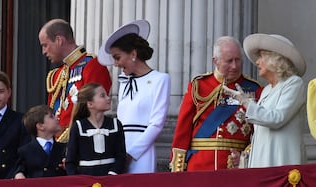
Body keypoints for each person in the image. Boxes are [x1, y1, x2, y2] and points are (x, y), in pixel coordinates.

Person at [170, 36, 261, 172]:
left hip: (235, 167)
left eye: (238, 60)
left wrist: (246, 155)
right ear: (215, 61)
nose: (234, 66)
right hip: (200, 166)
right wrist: (178, 169)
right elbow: (182, 130)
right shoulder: (198, 86)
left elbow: (260, 135)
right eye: (229, 61)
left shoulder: (254, 89)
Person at [98, 19, 171, 173]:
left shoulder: (160, 79)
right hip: (119, 150)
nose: (116, 64)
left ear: (133, 54)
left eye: (117, 57)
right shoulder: (124, 82)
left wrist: (131, 154)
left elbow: (156, 124)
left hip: (141, 154)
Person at [223, 33, 306, 168]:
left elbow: (277, 119)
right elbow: (261, 135)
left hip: (282, 164)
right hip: (262, 166)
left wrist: (246, 102)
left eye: (261, 57)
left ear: (274, 59)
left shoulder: (294, 84)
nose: (257, 62)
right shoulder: (266, 90)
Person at [39, 18, 112, 142]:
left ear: (59, 40)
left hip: (82, 142)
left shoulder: (93, 65)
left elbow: (94, 110)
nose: (44, 51)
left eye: (45, 45)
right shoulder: (56, 75)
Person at [66, 83, 126, 176]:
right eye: (102, 96)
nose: (108, 98)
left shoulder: (115, 124)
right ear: (90, 104)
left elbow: (121, 155)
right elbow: (70, 160)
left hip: (111, 179)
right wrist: (78, 180)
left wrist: (113, 173)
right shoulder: (78, 127)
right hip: (85, 179)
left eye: (107, 95)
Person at [14, 105, 67, 179]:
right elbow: (19, 170)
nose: (57, 118)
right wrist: (19, 174)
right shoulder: (25, 151)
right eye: (51, 116)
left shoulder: (65, 148)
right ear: (40, 126)